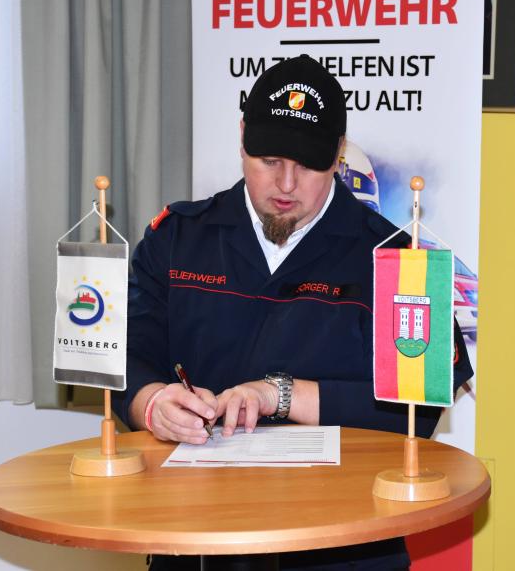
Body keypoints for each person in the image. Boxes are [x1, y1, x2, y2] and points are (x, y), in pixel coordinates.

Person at [113, 55, 474, 570]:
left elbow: (418, 408)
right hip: (196, 538)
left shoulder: (396, 259)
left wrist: (280, 395)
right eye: (269, 161)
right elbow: (123, 354)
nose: (285, 184)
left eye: (307, 165)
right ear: (242, 138)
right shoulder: (178, 239)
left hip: (345, 547)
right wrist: (152, 402)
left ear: (338, 154)